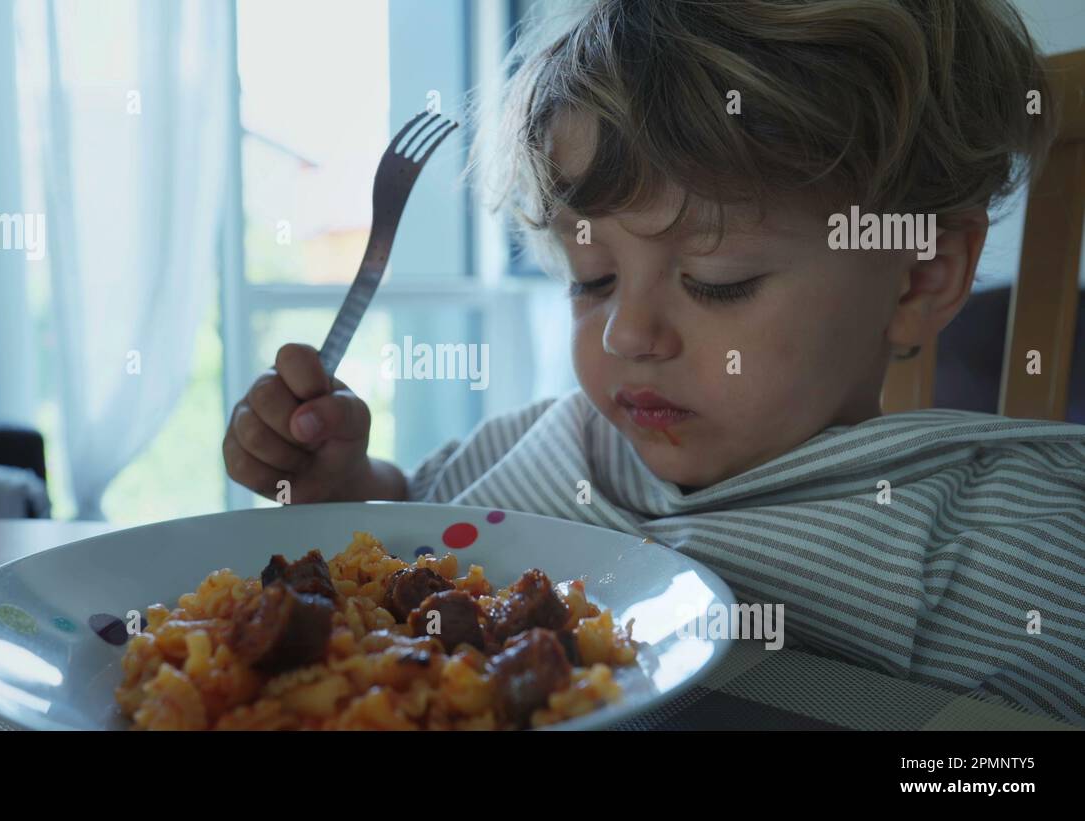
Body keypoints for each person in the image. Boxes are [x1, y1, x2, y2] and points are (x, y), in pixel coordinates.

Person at [224, 0, 1085, 725]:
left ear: (920, 272)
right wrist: (339, 486)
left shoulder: (1005, 538)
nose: (624, 335)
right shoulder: (533, 451)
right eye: (592, 278)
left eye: (718, 282)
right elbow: (403, 543)